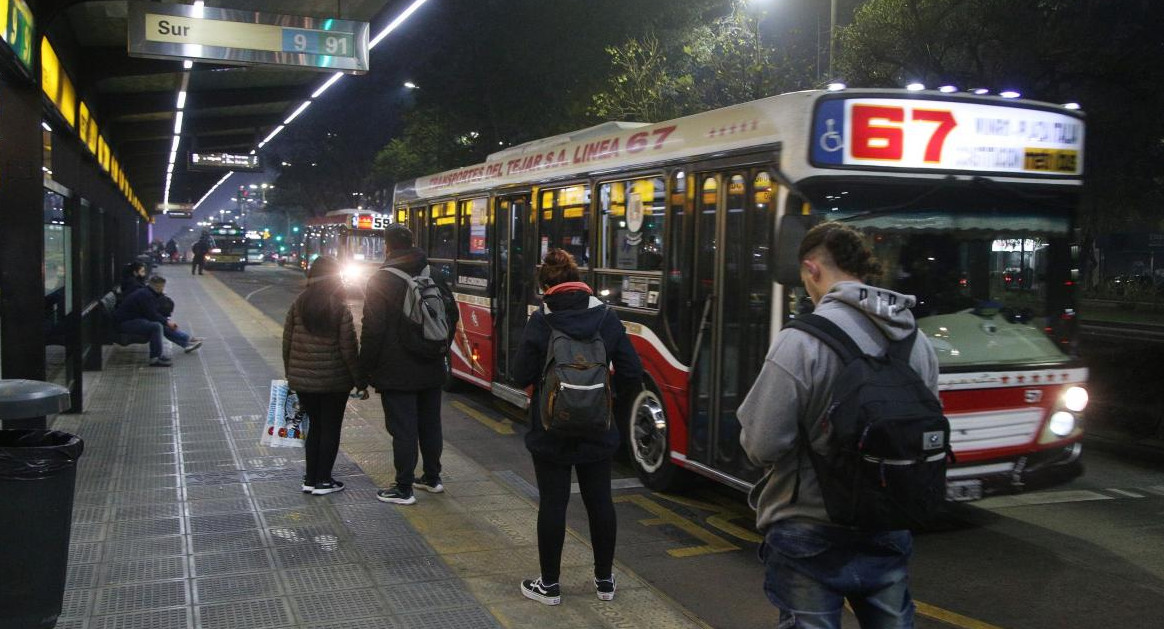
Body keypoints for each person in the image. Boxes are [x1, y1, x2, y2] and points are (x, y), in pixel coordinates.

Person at [738, 222, 940, 629]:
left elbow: (762, 443)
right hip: (888, 520)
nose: (807, 293)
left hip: (808, 528)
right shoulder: (917, 342)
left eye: (804, 281)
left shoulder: (800, 341)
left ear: (812, 269)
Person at [511, 249, 643, 606]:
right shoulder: (606, 318)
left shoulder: (542, 320)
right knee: (600, 501)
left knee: (553, 503)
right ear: (578, 279)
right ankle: (604, 582)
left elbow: (519, 373)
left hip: (551, 428)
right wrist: (605, 396)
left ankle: (550, 586)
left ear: (546, 286)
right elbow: (632, 371)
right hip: (598, 428)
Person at [360, 223, 453, 506]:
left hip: (396, 369)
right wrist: (439, 349)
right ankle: (432, 478)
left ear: (387, 246)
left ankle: (403, 487)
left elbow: (372, 330)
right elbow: (452, 315)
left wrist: (362, 373)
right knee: (430, 424)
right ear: (412, 242)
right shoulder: (434, 273)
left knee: (403, 429)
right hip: (431, 366)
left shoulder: (381, 280)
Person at [282, 256, 368, 495]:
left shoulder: (299, 303)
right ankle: (324, 480)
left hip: (304, 382)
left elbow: (287, 342)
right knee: (330, 429)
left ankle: (310, 479)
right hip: (334, 382)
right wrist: (360, 381)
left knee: (314, 428)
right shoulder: (339, 307)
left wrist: (292, 374)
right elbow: (349, 348)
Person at [113, 275, 204, 366]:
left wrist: (165, 321)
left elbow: (152, 313)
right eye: (162, 287)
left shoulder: (147, 292)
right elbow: (152, 314)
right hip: (126, 323)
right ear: (157, 287)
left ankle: (186, 342)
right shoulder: (146, 295)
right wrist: (167, 322)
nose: (163, 289)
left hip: (132, 319)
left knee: (161, 324)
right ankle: (155, 358)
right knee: (156, 326)